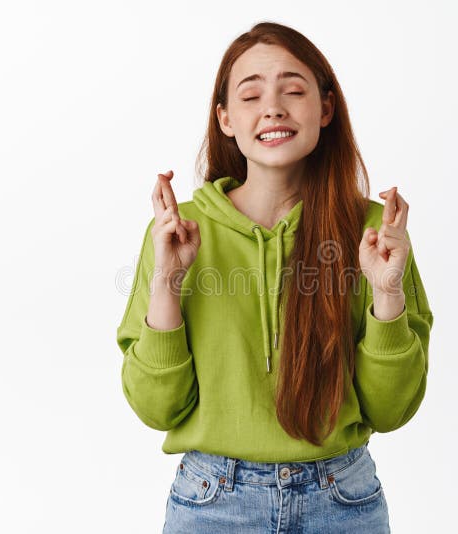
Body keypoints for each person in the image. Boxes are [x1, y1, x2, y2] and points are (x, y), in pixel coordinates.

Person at [116, 21, 434, 534]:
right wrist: (167, 286)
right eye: (251, 95)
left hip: (343, 499)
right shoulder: (178, 232)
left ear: (325, 109)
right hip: (212, 502)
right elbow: (158, 409)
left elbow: (391, 409)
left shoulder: (374, 233)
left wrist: (388, 294)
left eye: (293, 90)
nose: (273, 108)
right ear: (225, 118)